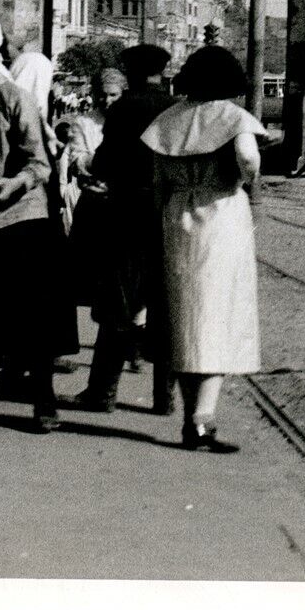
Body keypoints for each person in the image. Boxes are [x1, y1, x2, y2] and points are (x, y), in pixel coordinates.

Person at [0, 16, 77, 432]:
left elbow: (39, 162)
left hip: (21, 219)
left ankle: (44, 403)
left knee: (32, 315)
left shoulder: (13, 97)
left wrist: (13, 185)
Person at [141, 45, 264, 453]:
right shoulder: (232, 118)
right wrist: (246, 180)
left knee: (182, 315)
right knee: (216, 316)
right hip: (221, 213)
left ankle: (189, 417)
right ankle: (201, 421)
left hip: (176, 215)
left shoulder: (169, 120)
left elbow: (157, 179)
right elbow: (247, 157)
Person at [73, 44, 175, 415]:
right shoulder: (174, 107)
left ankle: (102, 393)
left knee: (118, 305)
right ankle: (165, 398)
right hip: (166, 213)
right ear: (162, 71)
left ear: (129, 72)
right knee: (164, 307)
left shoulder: (123, 109)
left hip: (125, 214)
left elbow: (104, 162)